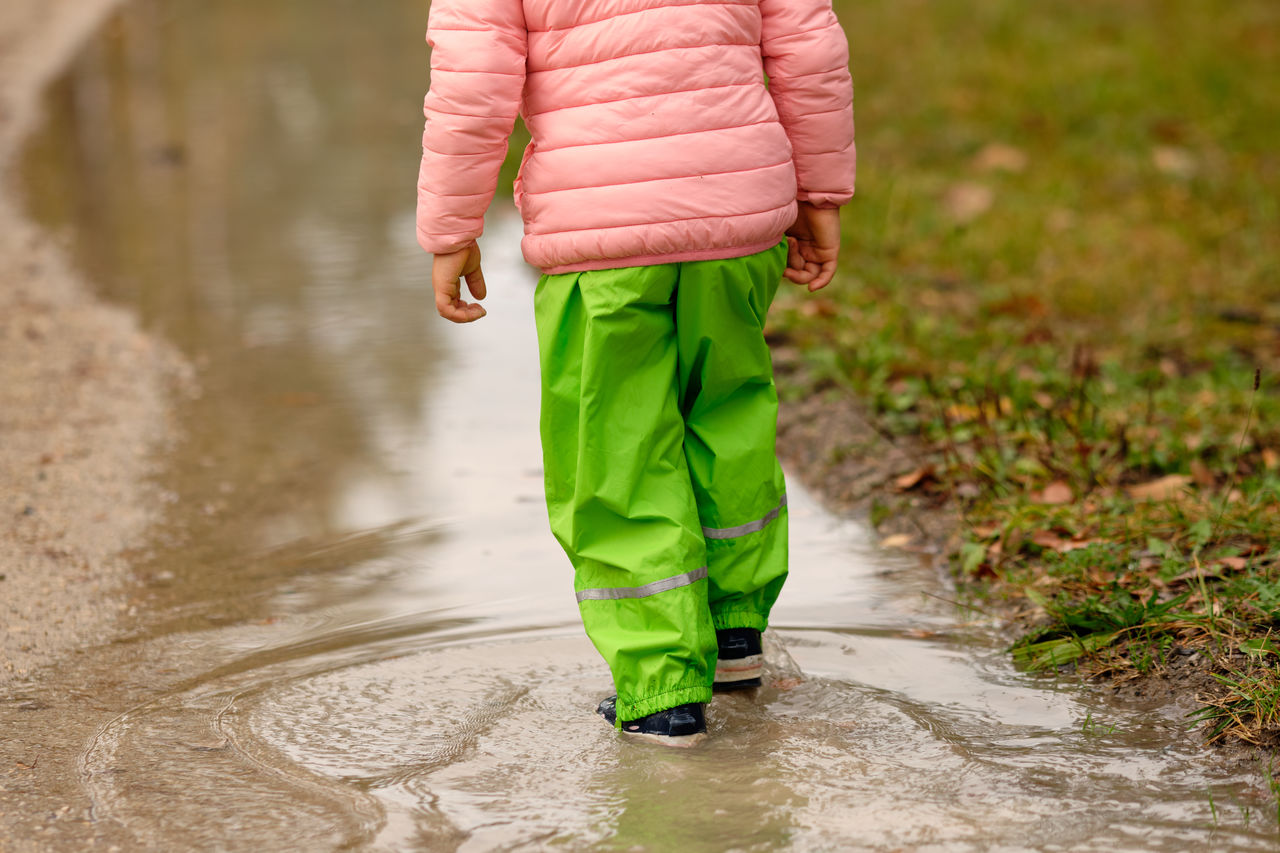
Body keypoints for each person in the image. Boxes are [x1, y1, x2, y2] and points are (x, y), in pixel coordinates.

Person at [417, 0, 855, 746]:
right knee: (727, 417)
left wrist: (452, 227)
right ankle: (734, 636)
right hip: (737, 217)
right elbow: (808, 49)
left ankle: (661, 685)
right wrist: (818, 190)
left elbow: (472, 84)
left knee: (620, 451)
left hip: (602, 237)